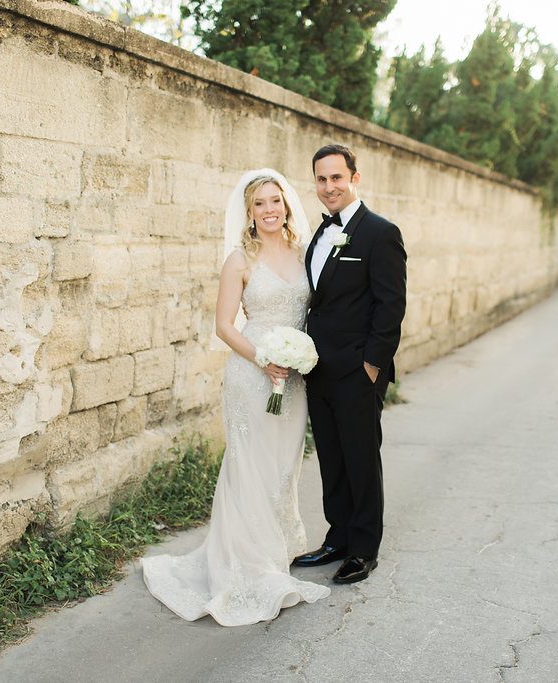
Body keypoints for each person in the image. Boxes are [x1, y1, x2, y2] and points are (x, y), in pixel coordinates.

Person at [142, 169, 330, 625]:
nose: (270, 210)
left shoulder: (304, 254)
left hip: (295, 373)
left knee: (284, 464)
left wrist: (297, 358)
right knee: (249, 463)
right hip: (252, 372)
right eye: (260, 204)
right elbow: (224, 325)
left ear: (286, 206)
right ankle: (246, 562)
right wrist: (263, 359)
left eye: (275, 201)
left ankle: (275, 549)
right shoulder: (239, 260)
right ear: (249, 213)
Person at [293, 144, 407, 584]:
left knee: (361, 459)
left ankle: (363, 549)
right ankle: (337, 536)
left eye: (337, 178)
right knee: (332, 459)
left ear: (354, 179)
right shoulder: (320, 235)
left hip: (358, 372)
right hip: (318, 369)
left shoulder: (381, 232)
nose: (329, 187)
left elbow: (390, 306)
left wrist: (372, 368)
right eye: (321, 179)